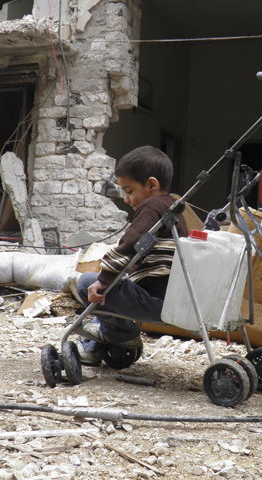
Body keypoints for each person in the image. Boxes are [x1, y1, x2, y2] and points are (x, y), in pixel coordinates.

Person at [76, 145, 188, 365]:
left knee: (87, 282)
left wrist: (103, 279)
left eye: (129, 191)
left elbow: (129, 245)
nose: (126, 199)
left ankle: (124, 336)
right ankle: (96, 346)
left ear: (152, 185)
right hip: (172, 301)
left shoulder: (152, 207)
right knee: (113, 286)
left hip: (156, 303)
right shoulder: (173, 210)